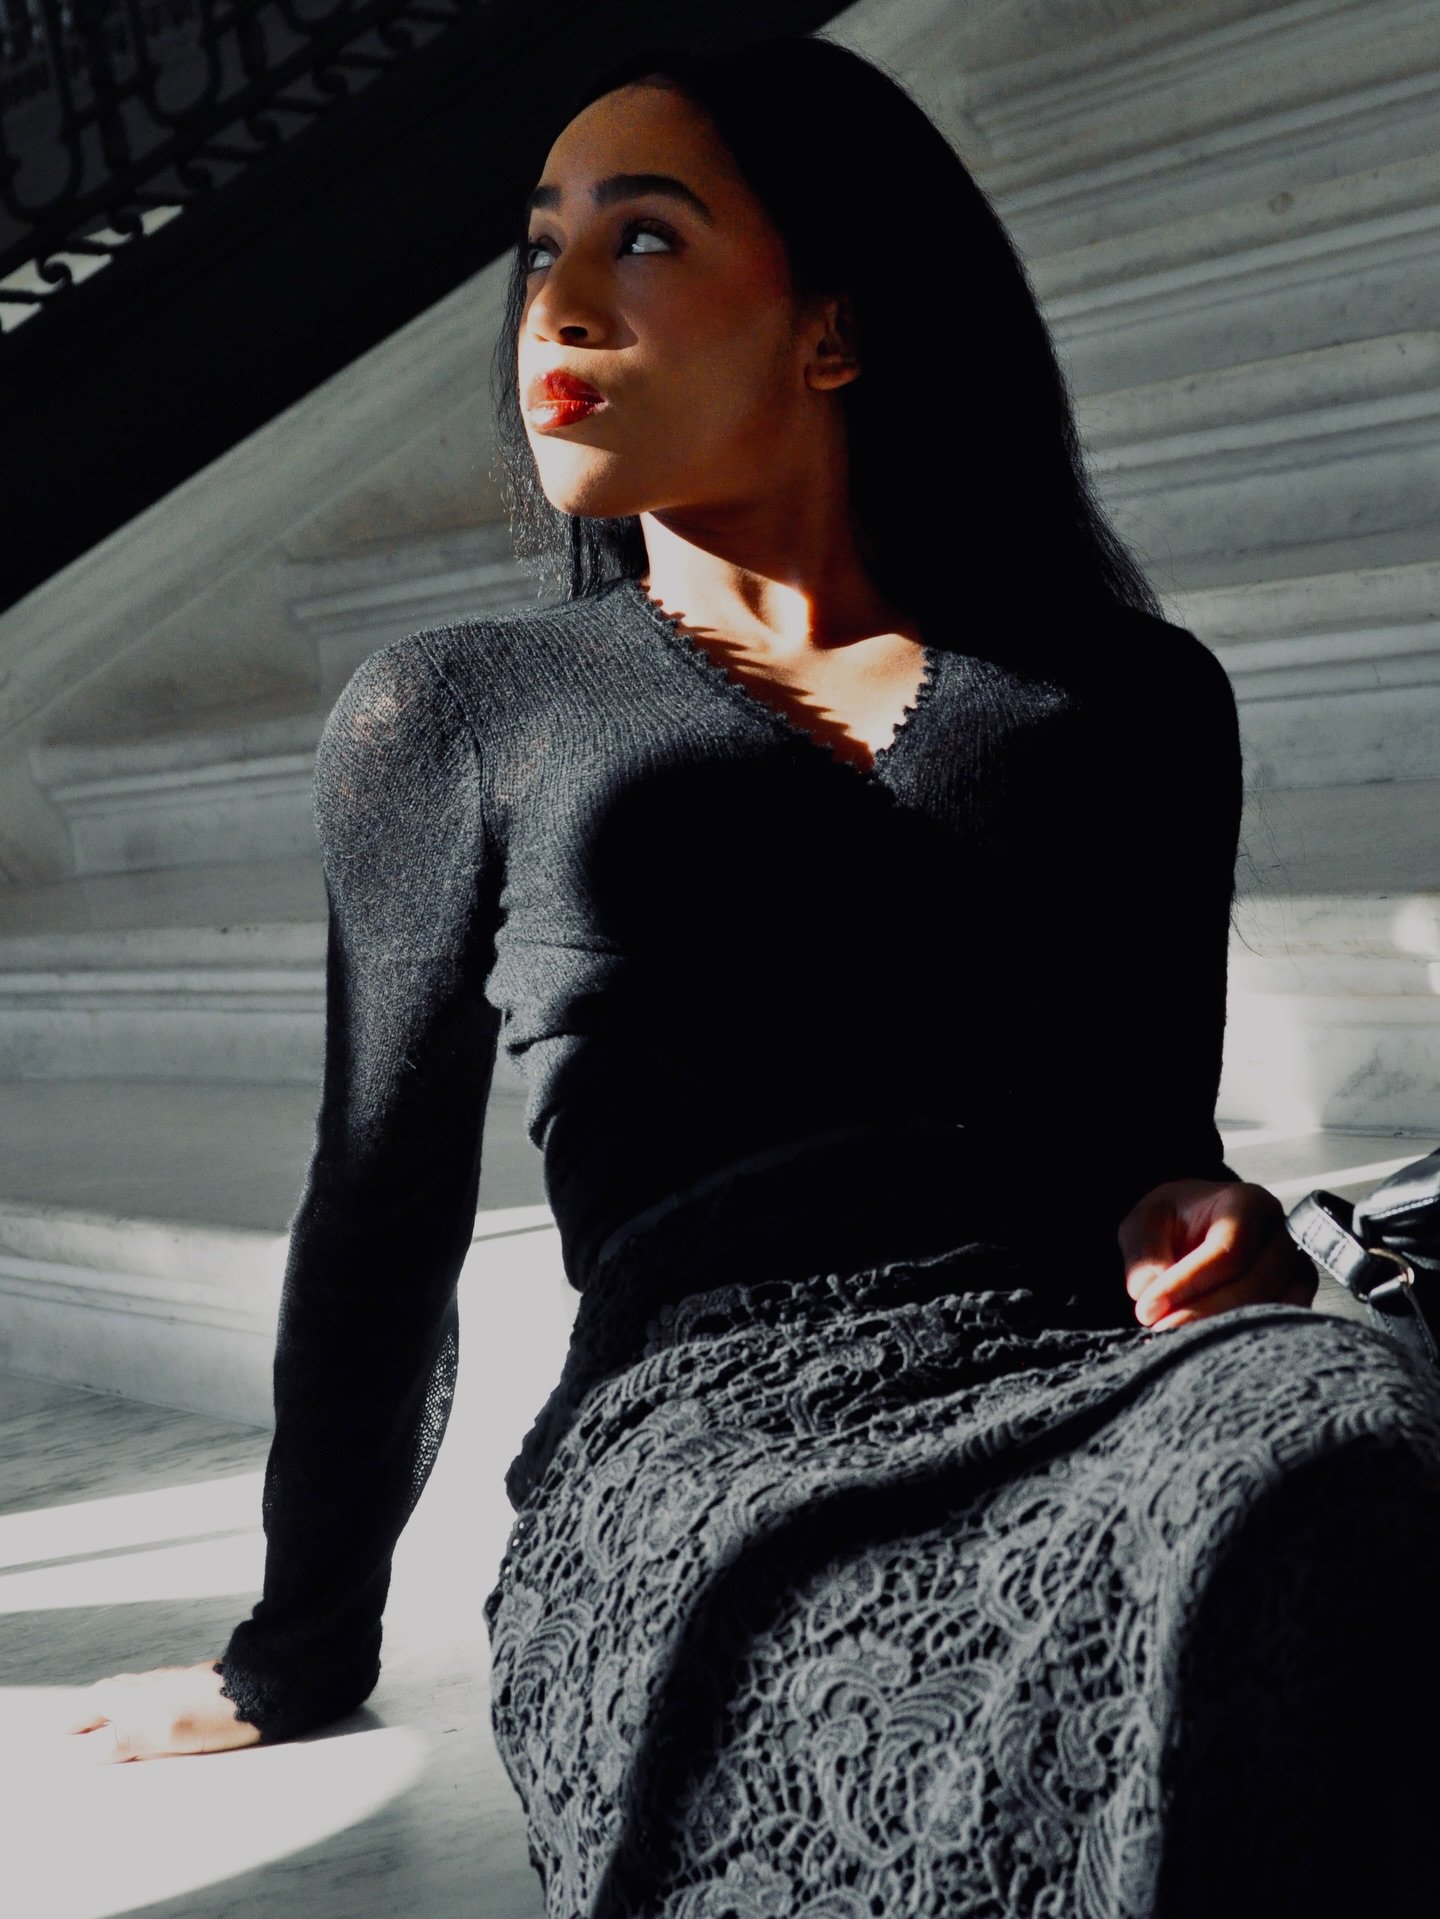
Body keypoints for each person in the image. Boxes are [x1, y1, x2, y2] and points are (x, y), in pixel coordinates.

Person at [57, 32, 1440, 1917]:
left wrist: (1207, 1234)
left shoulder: (1128, 701)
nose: (554, 301)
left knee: (1336, 1439)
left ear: (834, 328)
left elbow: (1150, 1157)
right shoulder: (455, 716)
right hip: (697, 1465)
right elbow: (377, 1211)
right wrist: (294, 1648)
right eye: (538, 245)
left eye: (642, 238)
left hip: (1064, 1387)